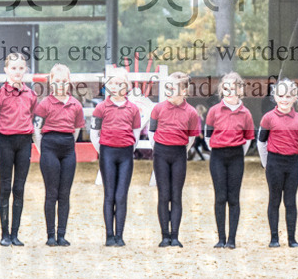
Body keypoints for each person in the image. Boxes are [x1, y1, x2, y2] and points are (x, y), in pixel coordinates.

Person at [0, 53, 37, 247]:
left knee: (19, 187)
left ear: (25, 70)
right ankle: (4, 233)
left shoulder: (31, 95)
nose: (17, 72)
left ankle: (15, 233)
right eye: (13, 68)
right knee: (5, 186)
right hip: (5, 142)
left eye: (21, 68)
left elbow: (32, 118)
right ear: (6, 70)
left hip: (24, 142)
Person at [34, 63, 85, 246]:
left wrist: (69, 142)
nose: (61, 84)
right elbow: (36, 129)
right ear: (51, 82)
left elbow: (78, 128)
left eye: (64, 81)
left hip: (68, 148)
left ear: (69, 82)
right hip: (49, 147)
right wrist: (44, 150)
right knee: (51, 193)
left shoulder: (75, 105)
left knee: (65, 193)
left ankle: (62, 234)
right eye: (57, 81)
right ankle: (50, 235)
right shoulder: (44, 104)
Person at [149, 71, 200, 248]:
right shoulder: (158, 109)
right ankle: (165, 235)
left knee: (176, 195)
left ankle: (175, 236)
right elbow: (151, 132)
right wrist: (159, 148)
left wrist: (181, 150)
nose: (169, 91)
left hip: (179, 154)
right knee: (164, 195)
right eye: (167, 87)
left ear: (184, 91)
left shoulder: (191, 113)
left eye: (174, 88)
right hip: (161, 153)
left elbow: (192, 137)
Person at [204, 72, 254, 250]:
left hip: (236, 157)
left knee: (233, 198)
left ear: (240, 90)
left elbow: (248, 139)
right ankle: (221, 238)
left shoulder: (246, 114)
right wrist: (219, 147)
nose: (230, 91)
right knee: (220, 197)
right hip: (217, 156)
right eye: (226, 88)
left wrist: (236, 150)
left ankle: (232, 239)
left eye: (234, 88)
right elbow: (208, 136)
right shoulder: (214, 111)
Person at [91, 67, 140, 247]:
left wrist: (127, 148)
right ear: (106, 86)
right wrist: (104, 149)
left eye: (119, 83)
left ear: (126, 86)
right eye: (111, 83)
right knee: (109, 194)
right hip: (107, 153)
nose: (115, 86)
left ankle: (120, 234)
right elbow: (94, 133)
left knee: (121, 195)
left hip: (126, 154)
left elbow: (135, 134)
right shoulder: (101, 107)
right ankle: (109, 235)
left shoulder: (133, 109)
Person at [257, 78, 298, 248]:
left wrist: (294, 158)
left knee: (290, 201)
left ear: (295, 98)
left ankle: (292, 239)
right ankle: (274, 238)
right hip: (274, 163)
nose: (284, 99)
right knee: (275, 200)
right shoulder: (268, 118)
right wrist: (266, 163)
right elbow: (261, 142)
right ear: (275, 97)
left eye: (289, 96)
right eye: (281, 95)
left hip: (292, 164)